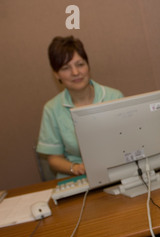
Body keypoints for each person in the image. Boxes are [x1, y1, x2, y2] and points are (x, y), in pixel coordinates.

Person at [37, 36, 123, 178]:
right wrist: (75, 168)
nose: (76, 73)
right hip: (76, 178)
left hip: (117, 172)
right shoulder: (51, 109)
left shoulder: (114, 97)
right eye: (66, 68)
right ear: (56, 74)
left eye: (80, 64)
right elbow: (53, 158)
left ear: (88, 65)